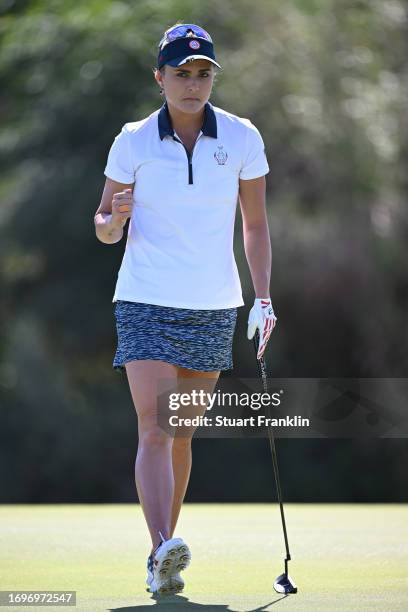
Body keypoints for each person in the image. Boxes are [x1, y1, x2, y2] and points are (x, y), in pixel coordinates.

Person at [94, 23, 277, 596]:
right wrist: (115, 219)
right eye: (181, 74)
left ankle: (161, 559)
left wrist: (263, 297)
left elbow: (255, 224)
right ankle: (160, 547)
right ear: (160, 78)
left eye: (202, 75)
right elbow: (102, 227)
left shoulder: (243, 137)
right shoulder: (132, 140)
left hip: (214, 305)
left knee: (178, 436)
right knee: (152, 429)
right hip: (145, 299)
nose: (193, 85)